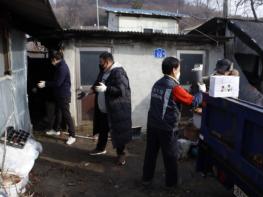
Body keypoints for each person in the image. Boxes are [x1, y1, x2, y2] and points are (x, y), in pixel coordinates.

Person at [142, 57, 205, 188]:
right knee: (170, 156)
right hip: (167, 128)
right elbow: (192, 102)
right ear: (174, 69)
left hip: (153, 125)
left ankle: (146, 179)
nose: (180, 71)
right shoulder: (174, 87)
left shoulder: (157, 83)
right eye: (179, 69)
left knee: (150, 154)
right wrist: (201, 92)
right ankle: (172, 183)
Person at [80, 52, 132, 165]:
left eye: (101, 62)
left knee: (118, 132)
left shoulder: (119, 72)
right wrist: (88, 92)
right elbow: (98, 84)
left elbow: (121, 91)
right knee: (103, 129)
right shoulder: (104, 71)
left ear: (107, 62)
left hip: (116, 109)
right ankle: (100, 148)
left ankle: (121, 154)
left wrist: (107, 89)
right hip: (104, 108)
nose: (99, 64)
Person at [37, 50, 76, 145]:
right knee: (58, 112)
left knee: (66, 115)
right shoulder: (60, 66)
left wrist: (45, 84)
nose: (51, 62)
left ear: (55, 59)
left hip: (63, 95)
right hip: (59, 95)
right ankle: (56, 130)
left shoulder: (62, 68)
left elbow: (58, 83)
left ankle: (72, 135)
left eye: (52, 60)